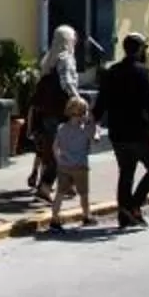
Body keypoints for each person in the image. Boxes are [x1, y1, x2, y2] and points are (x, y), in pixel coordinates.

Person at [96, 32, 149, 229]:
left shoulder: (112, 72)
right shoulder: (145, 73)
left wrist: (94, 120)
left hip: (118, 133)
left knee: (126, 172)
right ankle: (134, 204)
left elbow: (101, 102)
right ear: (141, 49)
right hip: (140, 132)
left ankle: (124, 215)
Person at [22, 48, 77, 199]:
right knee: (56, 154)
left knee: (51, 154)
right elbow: (35, 106)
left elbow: (34, 105)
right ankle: (47, 185)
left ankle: (61, 183)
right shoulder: (61, 82)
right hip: (55, 122)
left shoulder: (45, 80)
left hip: (47, 123)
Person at [48, 96, 98, 223]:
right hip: (80, 166)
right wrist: (92, 124)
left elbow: (55, 147)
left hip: (64, 165)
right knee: (84, 194)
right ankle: (86, 215)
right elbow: (95, 140)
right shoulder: (85, 130)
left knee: (59, 193)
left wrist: (59, 160)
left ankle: (54, 218)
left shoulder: (61, 128)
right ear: (83, 113)